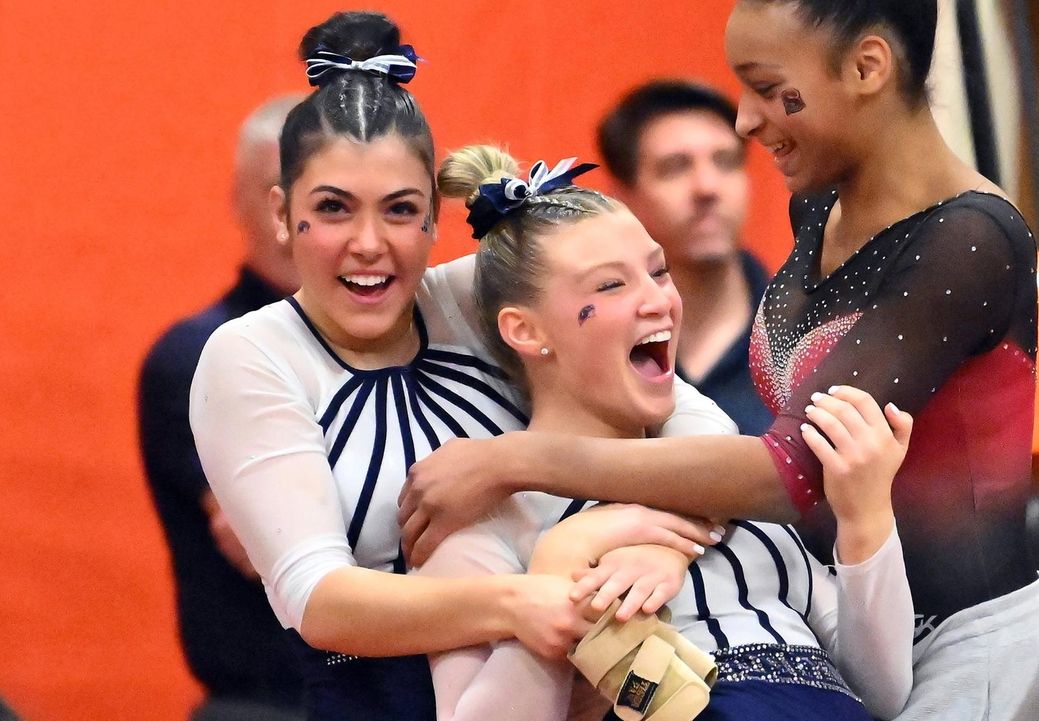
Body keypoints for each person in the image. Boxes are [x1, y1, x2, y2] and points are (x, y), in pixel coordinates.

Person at [397, 1, 1039, 719]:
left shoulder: (971, 241)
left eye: (770, 89)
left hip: (970, 647)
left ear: (867, 68)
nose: (746, 120)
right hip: (860, 632)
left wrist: (517, 460)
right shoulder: (818, 209)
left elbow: (787, 469)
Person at [189, 11, 727, 721]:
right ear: (284, 214)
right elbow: (319, 598)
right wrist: (528, 596)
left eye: (401, 210)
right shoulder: (251, 355)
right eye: (334, 209)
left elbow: (701, 435)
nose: (370, 243)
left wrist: (529, 471)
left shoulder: (474, 297)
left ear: (434, 223)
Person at [421, 145, 913, 721]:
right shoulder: (489, 526)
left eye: (658, 271)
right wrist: (560, 566)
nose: (658, 301)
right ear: (525, 330)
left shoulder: (730, 491)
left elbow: (881, 690)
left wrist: (865, 519)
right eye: (609, 287)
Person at [140, 93, 306, 721]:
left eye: (330, 199)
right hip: (273, 704)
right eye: (277, 193)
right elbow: (272, 544)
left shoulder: (410, 351)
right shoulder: (200, 356)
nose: (299, 219)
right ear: (239, 202)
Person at [597, 80, 773, 435]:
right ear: (621, 199)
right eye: (675, 167)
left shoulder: (810, 336)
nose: (707, 187)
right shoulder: (593, 351)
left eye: (725, 162)